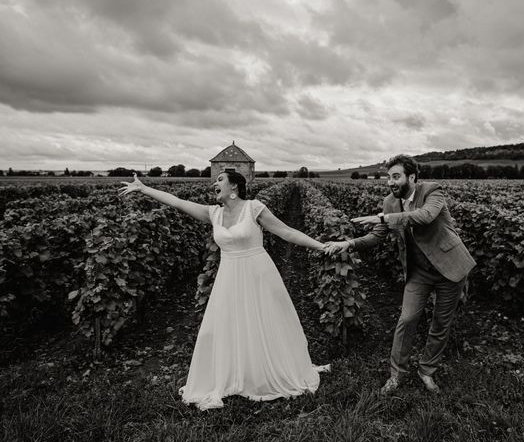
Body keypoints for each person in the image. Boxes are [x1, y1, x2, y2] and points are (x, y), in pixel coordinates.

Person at [119, 171, 329, 410]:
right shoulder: (214, 213)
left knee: (264, 322)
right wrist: (145, 189)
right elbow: (177, 202)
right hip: (229, 276)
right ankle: (235, 374)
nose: (214, 183)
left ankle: (264, 373)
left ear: (235, 187)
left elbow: (287, 232)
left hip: (258, 273)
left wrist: (320, 247)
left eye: (220, 180)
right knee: (229, 324)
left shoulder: (254, 208)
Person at [325, 154, 475, 394]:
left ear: (411, 177)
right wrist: (349, 244)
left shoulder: (432, 191)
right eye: (388, 177)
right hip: (419, 273)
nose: (390, 182)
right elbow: (377, 235)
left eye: (396, 177)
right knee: (406, 320)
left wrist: (385, 217)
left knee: (440, 324)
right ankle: (396, 375)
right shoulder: (390, 203)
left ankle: (427, 371)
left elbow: (424, 216)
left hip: (449, 268)